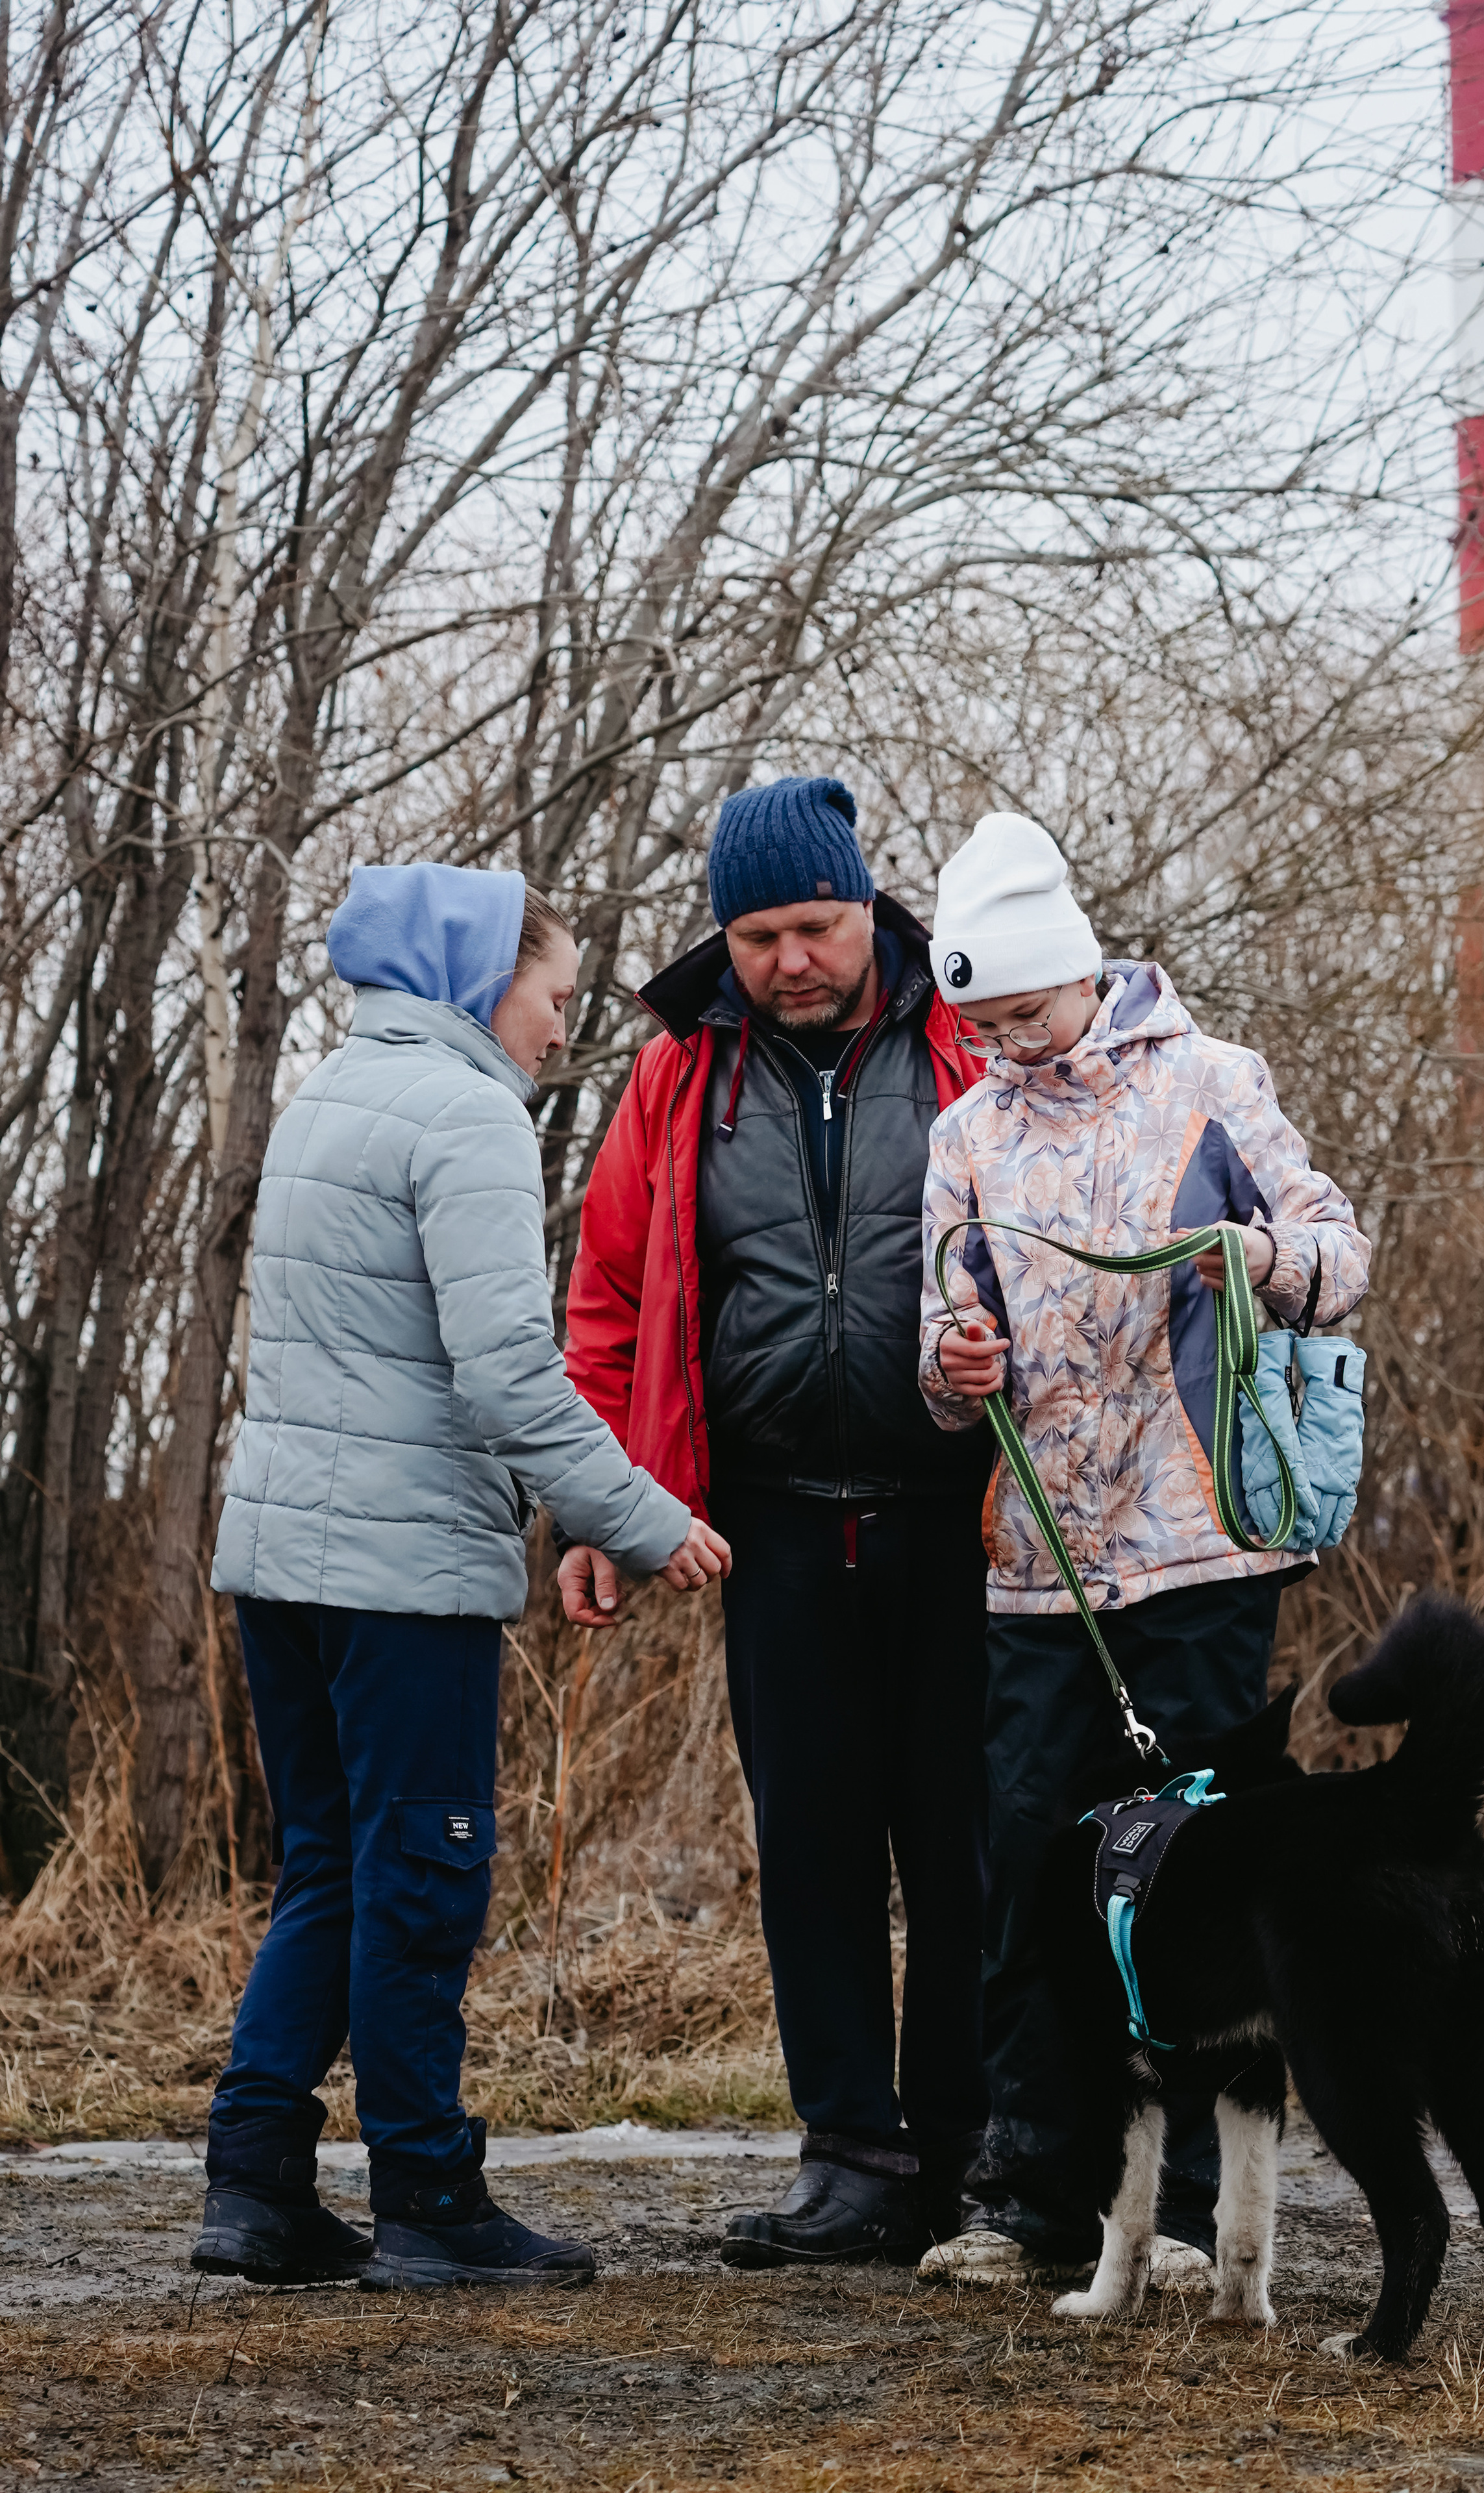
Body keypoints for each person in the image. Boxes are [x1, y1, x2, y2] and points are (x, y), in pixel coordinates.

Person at [194, 862, 728, 2293]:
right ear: (484, 980)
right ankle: (428, 2198)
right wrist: (636, 1517)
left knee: (329, 1868)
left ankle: (252, 2185)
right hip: (399, 1576)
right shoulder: (468, 1109)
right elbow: (507, 1377)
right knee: (424, 1878)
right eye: (554, 998)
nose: (560, 1032)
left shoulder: (329, 1095)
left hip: (282, 1567)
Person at [913, 812, 1371, 2285]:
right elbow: (939, 1334)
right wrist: (952, 1366)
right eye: (978, 1018)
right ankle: (1023, 2198)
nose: (1008, 1039)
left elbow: (1337, 1253)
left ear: (1081, 974)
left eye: (1025, 1010)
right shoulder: (963, 1134)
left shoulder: (1211, 1082)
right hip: (1036, 1571)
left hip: (1199, 1560)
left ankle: (1178, 2215)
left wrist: (1262, 1258)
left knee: (1186, 1885)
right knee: (1027, 1889)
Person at [559, 775, 992, 2265]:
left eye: (815, 925)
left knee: (965, 1849)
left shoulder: (967, 1041)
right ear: (723, 939)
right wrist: (598, 1510)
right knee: (810, 1845)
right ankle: (854, 2161)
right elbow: (607, 1302)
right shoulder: (678, 1076)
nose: (791, 961)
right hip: (770, 1527)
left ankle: (965, 2151)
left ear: (866, 906)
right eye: (757, 937)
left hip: (960, 1516)